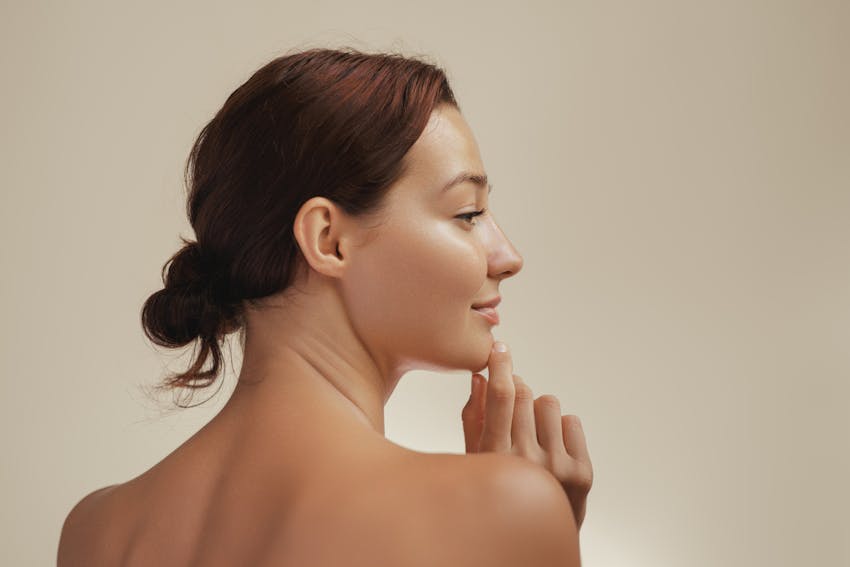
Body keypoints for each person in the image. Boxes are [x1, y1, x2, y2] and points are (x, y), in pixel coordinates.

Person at [57, 46, 592, 567]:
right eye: (468, 214)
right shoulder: (502, 507)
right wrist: (522, 529)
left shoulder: (96, 531)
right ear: (328, 239)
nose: (509, 257)